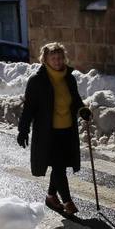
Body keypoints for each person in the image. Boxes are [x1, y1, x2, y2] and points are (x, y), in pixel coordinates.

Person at [18, 42, 92, 215]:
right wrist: (23, 130)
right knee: (58, 166)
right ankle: (67, 201)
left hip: (67, 131)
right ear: (46, 60)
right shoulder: (37, 81)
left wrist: (83, 111)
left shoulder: (69, 78)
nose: (58, 62)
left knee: (60, 166)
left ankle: (51, 196)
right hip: (48, 133)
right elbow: (29, 108)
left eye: (60, 58)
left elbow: (76, 101)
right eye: (54, 58)